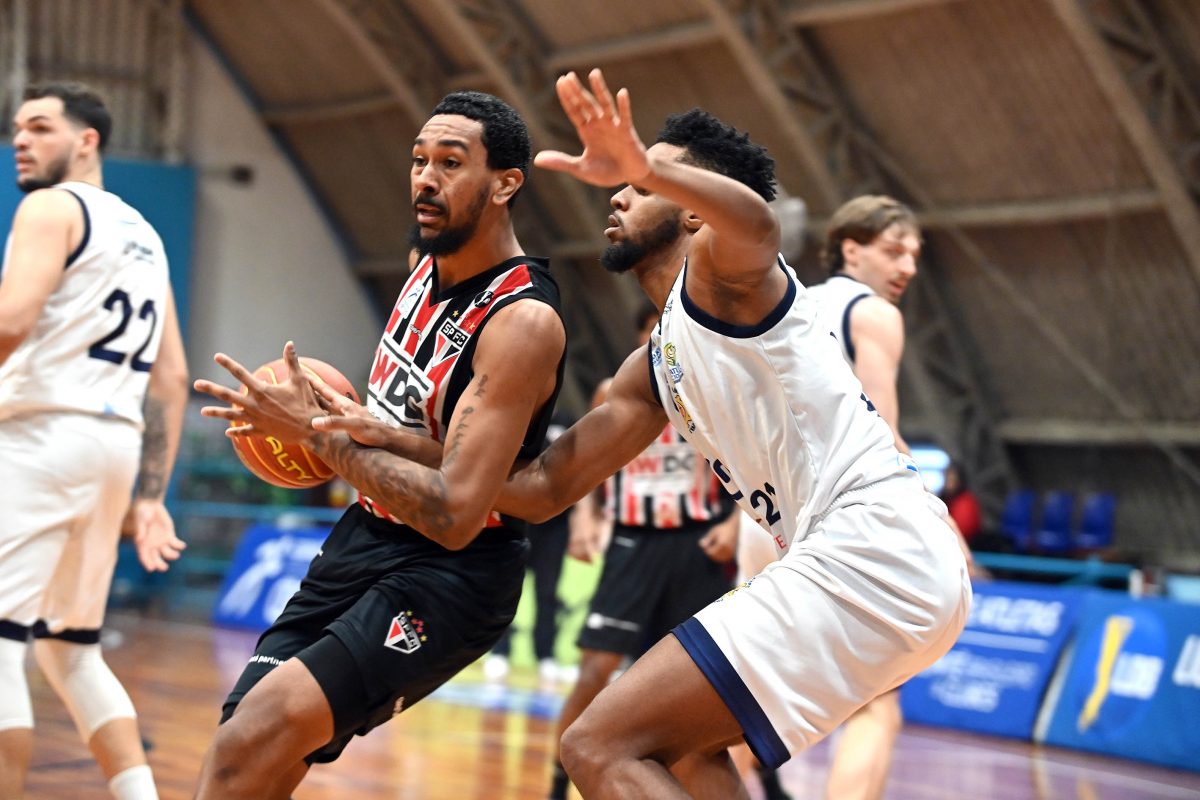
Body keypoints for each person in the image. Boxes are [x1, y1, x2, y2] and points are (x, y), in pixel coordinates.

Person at [313, 69, 971, 800]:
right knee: (679, 749)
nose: (619, 195)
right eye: (626, 182)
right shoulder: (655, 363)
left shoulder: (728, 278)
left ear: (692, 212)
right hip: (874, 560)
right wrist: (389, 437)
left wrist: (647, 164)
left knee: (595, 744)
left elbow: (757, 223)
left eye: (642, 186)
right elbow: (542, 487)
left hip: (872, 546)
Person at [191, 90, 567, 799]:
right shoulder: (423, 267)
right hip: (365, 535)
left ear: (505, 183)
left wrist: (316, 439)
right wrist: (332, 417)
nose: (425, 178)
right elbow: (404, 421)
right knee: (244, 755)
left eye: (450, 163)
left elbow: (455, 512)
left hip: (450, 573)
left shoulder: (521, 321)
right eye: (419, 160)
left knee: (251, 739)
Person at [0, 83, 189, 800]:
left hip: (43, 435)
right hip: (113, 447)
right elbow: (171, 378)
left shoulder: (50, 207)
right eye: (17, 129)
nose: (21, 140)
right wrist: (149, 497)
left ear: (87, 141)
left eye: (40, 127)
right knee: (70, 650)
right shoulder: (147, 237)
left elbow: (11, 321)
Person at [546, 303, 739, 800]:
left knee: (708, 685)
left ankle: (767, 784)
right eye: (655, 329)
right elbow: (587, 459)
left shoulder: (710, 389)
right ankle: (557, 783)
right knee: (596, 669)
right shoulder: (613, 390)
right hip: (633, 542)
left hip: (695, 544)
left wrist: (736, 522)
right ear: (640, 337)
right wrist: (584, 517)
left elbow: (749, 462)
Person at [805, 194, 921, 800]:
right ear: (851, 249)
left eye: (915, 255)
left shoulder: (793, 303)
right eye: (894, 250)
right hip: (843, 523)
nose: (908, 267)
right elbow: (883, 433)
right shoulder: (873, 313)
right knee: (875, 706)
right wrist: (935, 520)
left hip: (767, 518)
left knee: (748, 706)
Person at [483, 411, 575, 685]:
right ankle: (500, 651)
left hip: (555, 526)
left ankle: (546, 655)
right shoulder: (518, 415)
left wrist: (585, 519)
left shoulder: (567, 421)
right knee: (507, 588)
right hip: (515, 519)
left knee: (547, 592)